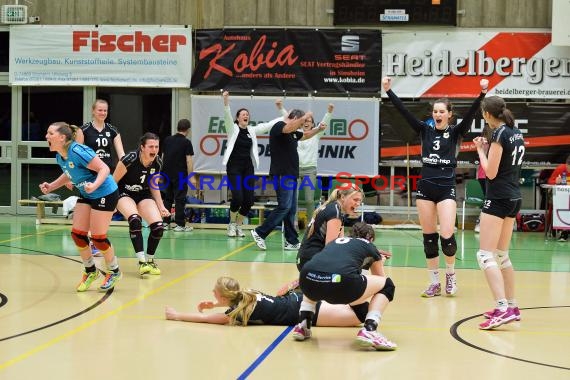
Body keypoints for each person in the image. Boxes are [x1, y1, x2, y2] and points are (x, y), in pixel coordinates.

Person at [382, 76, 488, 297]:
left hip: (445, 187)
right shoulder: (424, 130)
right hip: (425, 187)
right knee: (429, 237)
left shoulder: (456, 132)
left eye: (442, 112)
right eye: (435, 111)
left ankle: (450, 275)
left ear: (449, 114)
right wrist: (389, 91)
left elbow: (469, 116)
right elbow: (404, 112)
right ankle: (433, 282)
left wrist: (482, 94)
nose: (437, 115)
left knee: (447, 235)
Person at [39, 122, 121, 291]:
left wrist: (95, 185)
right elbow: (69, 172)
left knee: (98, 238)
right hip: (87, 193)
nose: (47, 136)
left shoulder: (77, 151)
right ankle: (91, 270)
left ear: (62, 138)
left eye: (50, 133)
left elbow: (104, 169)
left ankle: (114, 271)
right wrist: (52, 186)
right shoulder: (60, 155)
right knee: (78, 235)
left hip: (105, 192)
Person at [292, 223, 397, 351]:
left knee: (314, 276)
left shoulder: (336, 242)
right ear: (370, 238)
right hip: (341, 283)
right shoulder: (370, 247)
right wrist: (379, 261)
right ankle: (370, 329)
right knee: (387, 285)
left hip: (306, 277)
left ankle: (303, 325)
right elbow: (379, 280)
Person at [473, 95, 524, 330]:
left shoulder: (499, 134)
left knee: (485, 255)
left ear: (486, 115)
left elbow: (490, 172)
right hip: (514, 196)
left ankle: (502, 307)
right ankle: (512, 306)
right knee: (502, 255)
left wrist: (480, 151)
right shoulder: (516, 132)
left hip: (498, 197)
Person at [164, 276, 365, 327]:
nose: (212, 294)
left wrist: (177, 315)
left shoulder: (239, 312)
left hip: (304, 310)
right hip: (300, 298)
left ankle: (360, 279)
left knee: (358, 316)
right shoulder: (246, 294)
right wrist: (215, 304)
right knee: (351, 305)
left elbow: (206, 320)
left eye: (215, 294)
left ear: (225, 297)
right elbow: (230, 302)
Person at [276, 184, 364, 296]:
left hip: (306, 258)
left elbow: (341, 242)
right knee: (348, 274)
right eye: (355, 199)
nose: (358, 204)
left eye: (360, 201)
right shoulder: (335, 213)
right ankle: (300, 285)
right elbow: (331, 247)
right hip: (312, 261)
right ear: (342, 197)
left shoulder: (333, 208)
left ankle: (303, 284)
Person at [222, 91, 286, 238]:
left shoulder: (252, 130)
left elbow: (269, 125)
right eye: (243, 114)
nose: (246, 115)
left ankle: (238, 225)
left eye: (247, 114)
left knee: (249, 200)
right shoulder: (232, 129)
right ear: (237, 118)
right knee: (237, 197)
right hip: (233, 167)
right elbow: (226, 115)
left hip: (247, 167)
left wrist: (283, 114)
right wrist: (226, 101)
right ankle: (231, 224)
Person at [250, 109, 315, 251]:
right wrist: (305, 117)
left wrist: (318, 129)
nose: (301, 125)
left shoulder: (292, 133)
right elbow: (290, 127)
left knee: (291, 210)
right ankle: (260, 232)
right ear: (295, 118)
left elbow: (305, 135)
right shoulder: (279, 126)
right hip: (281, 174)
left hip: (291, 175)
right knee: (284, 206)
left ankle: (291, 241)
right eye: (300, 122)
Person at [113, 132, 170, 276]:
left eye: (156, 146)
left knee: (158, 227)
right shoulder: (130, 159)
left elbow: (154, 185)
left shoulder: (157, 162)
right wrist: (112, 203)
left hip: (143, 194)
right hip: (124, 192)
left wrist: (161, 206)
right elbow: (113, 181)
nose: (154, 149)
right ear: (142, 147)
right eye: (151, 146)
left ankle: (150, 260)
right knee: (135, 220)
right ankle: (141, 261)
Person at [277, 101, 331, 222]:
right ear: (301, 122)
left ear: (313, 124)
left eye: (309, 121)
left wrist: (329, 112)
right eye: (305, 121)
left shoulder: (316, 134)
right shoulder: (294, 133)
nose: (307, 123)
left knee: (309, 200)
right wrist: (281, 108)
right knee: (293, 199)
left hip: (309, 170)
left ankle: (311, 224)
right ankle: (294, 222)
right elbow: (288, 119)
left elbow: (324, 123)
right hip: (294, 170)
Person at [161, 119, 195, 232]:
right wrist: (191, 176)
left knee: (168, 198)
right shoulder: (186, 142)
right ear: (188, 130)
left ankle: (165, 223)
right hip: (180, 175)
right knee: (180, 199)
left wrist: (161, 173)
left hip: (166, 173)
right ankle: (180, 225)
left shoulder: (167, 140)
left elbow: (163, 157)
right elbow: (189, 161)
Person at [76, 99, 125, 171]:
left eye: (105, 110)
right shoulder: (83, 130)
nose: (103, 113)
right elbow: (76, 154)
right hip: (89, 172)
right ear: (93, 111)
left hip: (107, 171)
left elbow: (121, 155)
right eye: (100, 110)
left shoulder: (113, 130)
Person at [547, 154, 570, 241]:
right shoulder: (560, 169)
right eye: (568, 167)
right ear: (566, 164)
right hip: (562, 198)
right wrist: (556, 182)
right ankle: (564, 231)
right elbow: (550, 181)